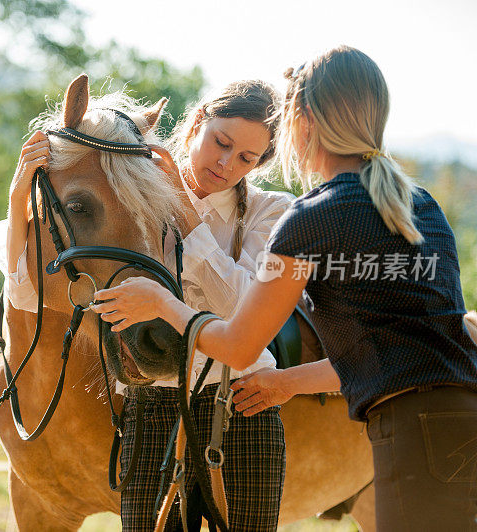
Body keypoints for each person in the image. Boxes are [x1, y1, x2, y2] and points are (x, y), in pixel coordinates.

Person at [90, 45, 477, 531]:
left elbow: (239, 343)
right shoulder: (420, 204)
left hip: (408, 430)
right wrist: (287, 383)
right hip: (462, 418)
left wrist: (163, 303)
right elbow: (406, 346)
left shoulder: (311, 218)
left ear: (302, 119)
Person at [0, 80, 294, 531]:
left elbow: (244, 311)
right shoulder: (131, 200)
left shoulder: (271, 212)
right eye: (221, 142)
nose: (226, 163)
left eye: (247, 158)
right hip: (152, 404)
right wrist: (19, 199)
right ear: (194, 127)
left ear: (261, 163)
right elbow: (25, 296)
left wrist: (187, 218)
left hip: (241, 401)